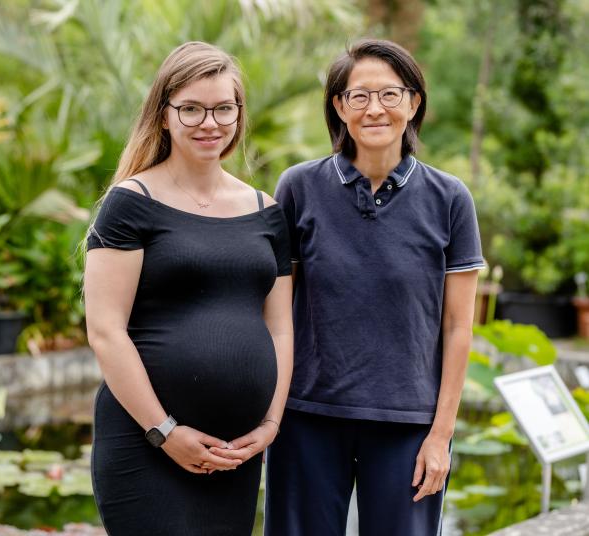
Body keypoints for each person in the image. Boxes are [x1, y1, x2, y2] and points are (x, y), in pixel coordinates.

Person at [262, 39, 485, 535]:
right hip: (307, 416)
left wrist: (441, 436)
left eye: (390, 94)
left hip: (409, 424)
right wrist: (270, 415)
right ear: (339, 107)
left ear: (414, 102)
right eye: (358, 96)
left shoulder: (451, 199)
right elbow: (276, 314)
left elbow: (458, 328)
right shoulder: (298, 188)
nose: (374, 109)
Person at [83, 41, 293, 535]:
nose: (210, 122)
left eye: (224, 108)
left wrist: (269, 425)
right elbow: (106, 331)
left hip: (235, 451)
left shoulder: (266, 210)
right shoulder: (131, 202)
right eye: (192, 109)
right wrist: (164, 431)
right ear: (163, 115)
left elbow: (281, 328)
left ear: (239, 114)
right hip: (145, 445)